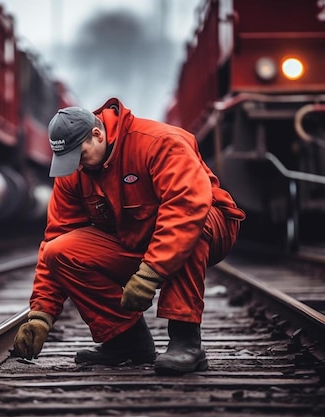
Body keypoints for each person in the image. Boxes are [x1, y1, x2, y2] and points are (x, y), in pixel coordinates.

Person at [12, 97, 245, 375]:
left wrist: (150, 273)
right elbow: (57, 235)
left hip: (206, 225)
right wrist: (41, 314)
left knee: (193, 224)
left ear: (98, 134)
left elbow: (185, 208)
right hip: (135, 237)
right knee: (59, 251)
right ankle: (127, 341)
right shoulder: (75, 171)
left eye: (79, 156)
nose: (77, 167)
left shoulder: (158, 143)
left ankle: (186, 341)